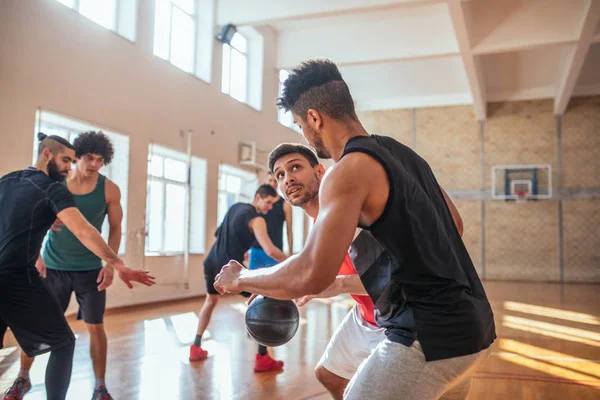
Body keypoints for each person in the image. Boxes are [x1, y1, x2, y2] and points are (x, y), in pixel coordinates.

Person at [214, 59, 495, 400]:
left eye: (301, 124)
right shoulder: (403, 153)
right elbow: (455, 225)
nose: (304, 132)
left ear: (314, 118)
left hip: (427, 336)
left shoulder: (345, 171)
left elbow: (312, 273)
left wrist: (241, 278)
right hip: (474, 328)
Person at [269, 143, 465, 399]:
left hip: (400, 318)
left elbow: (393, 277)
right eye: (280, 175)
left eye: (295, 167)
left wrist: (335, 285)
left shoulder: (352, 215)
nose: (288, 178)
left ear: (320, 171)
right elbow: (307, 267)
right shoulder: (320, 223)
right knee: (329, 374)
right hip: (367, 314)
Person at [0, 133, 155, 400]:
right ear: (48, 154)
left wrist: (109, 262)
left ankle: (100, 386)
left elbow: (113, 228)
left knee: (91, 327)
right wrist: (119, 264)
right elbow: (79, 229)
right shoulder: (54, 186)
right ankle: (22, 378)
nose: (71, 166)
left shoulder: (11, 180)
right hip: (46, 270)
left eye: (99, 160)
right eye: (70, 159)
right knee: (51, 335)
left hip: (88, 270)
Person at [189, 184, 289, 373]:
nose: (269, 208)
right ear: (258, 197)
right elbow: (270, 249)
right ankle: (262, 358)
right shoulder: (257, 219)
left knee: (210, 301)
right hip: (229, 270)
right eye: (268, 203)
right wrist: (293, 263)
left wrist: (236, 254)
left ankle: (195, 347)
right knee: (264, 296)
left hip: (211, 263)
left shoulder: (235, 207)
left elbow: (219, 235)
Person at [248, 173, 293, 270]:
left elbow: (289, 229)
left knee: (275, 283)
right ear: (265, 182)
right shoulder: (258, 202)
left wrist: (290, 252)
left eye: (275, 181)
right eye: (270, 180)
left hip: (275, 250)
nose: (272, 183)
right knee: (252, 283)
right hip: (256, 249)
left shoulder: (284, 204)